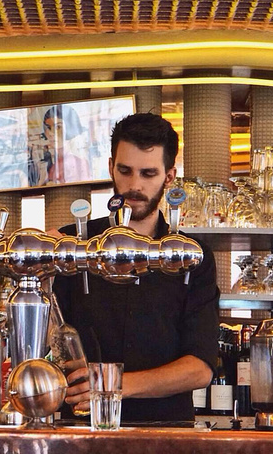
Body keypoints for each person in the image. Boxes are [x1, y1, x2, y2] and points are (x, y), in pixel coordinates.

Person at [51, 112, 220, 423]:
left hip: (166, 431)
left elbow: (200, 368)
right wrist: (40, 264)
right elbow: (42, 339)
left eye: (148, 173)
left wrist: (113, 385)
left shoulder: (191, 255)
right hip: (80, 428)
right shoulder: (73, 245)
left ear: (169, 177)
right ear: (110, 167)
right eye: (124, 171)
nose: (134, 185)